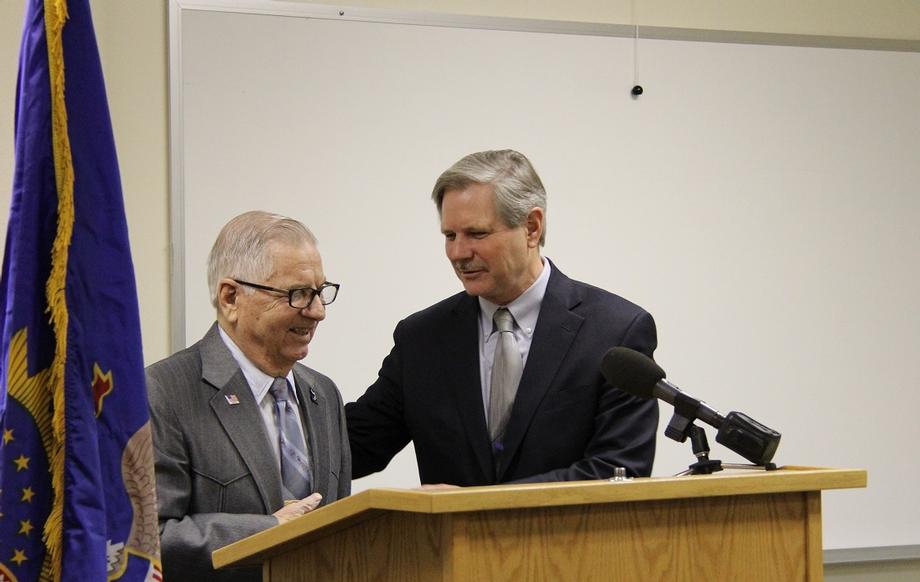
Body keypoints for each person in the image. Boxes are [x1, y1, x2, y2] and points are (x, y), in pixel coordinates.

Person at [346, 149, 659, 486]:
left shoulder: (615, 332)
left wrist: (476, 507)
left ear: (532, 227)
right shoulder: (422, 339)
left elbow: (619, 470)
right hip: (452, 541)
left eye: (476, 234)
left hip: (569, 538)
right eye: (449, 236)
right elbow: (354, 448)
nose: (458, 253)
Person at [146, 211, 351, 582]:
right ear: (231, 297)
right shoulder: (163, 392)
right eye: (298, 294)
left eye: (321, 292)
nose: (318, 311)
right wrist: (269, 529)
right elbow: (151, 540)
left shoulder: (323, 393)